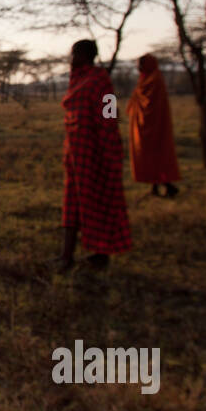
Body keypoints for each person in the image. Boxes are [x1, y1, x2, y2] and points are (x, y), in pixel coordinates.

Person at [57, 39, 132, 271]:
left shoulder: (100, 81)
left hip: (96, 153)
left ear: (85, 55)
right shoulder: (76, 79)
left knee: (98, 203)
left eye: (74, 54)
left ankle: (101, 255)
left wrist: (109, 148)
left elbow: (109, 115)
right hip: (76, 154)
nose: (71, 59)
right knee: (72, 204)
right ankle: (66, 257)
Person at [128, 54, 180, 198]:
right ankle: (155, 188)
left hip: (156, 126)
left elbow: (151, 105)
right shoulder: (145, 79)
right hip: (144, 127)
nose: (138, 68)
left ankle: (168, 186)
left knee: (156, 156)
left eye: (140, 64)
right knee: (149, 157)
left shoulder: (155, 80)